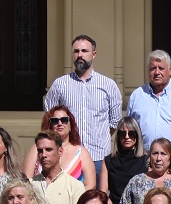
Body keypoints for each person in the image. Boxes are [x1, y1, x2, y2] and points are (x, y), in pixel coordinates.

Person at [43, 35, 122, 172]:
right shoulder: (60, 85)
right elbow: (50, 119)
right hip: (68, 157)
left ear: (94, 54)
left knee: (97, 194)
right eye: (76, 51)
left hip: (99, 158)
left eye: (84, 51)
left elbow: (115, 122)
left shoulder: (108, 85)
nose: (80, 55)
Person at [23, 105, 97, 189]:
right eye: (54, 121)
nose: (60, 123)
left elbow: (90, 184)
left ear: (71, 126)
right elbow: (26, 181)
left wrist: (76, 199)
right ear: (50, 126)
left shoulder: (81, 152)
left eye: (64, 120)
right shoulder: (37, 149)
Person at [30, 131, 85, 204]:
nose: (44, 155)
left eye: (49, 150)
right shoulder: (30, 185)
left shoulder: (75, 186)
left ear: (60, 151)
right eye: (40, 151)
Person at [99, 116, 148, 204]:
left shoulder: (146, 161)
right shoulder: (108, 161)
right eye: (122, 133)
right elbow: (103, 193)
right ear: (117, 137)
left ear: (137, 136)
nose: (127, 137)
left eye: (131, 133)